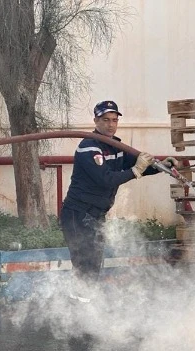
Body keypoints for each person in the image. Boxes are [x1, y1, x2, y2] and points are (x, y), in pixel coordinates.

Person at [60, 100, 178, 299]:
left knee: (94, 263)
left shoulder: (117, 146)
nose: (110, 124)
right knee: (84, 263)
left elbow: (138, 165)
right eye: (105, 120)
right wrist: (136, 170)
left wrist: (161, 166)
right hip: (78, 213)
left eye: (114, 120)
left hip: (96, 214)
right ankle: (77, 308)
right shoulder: (89, 147)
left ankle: (85, 305)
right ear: (96, 120)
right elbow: (106, 180)